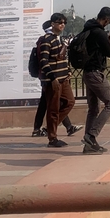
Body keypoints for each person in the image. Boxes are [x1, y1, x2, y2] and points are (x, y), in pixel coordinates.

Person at [31, 13, 77, 147]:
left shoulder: (59, 39)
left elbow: (62, 58)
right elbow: (43, 62)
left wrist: (68, 71)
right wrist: (52, 78)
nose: (62, 24)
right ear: (52, 24)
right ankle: (52, 138)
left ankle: (50, 127)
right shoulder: (46, 40)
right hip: (53, 81)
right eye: (60, 22)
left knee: (70, 102)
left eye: (64, 22)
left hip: (63, 79)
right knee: (53, 109)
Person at [80, 6, 110, 155]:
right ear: (106, 19)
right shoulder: (99, 32)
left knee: (93, 108)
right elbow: (109, 52)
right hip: (96, 73)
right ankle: (91, 136)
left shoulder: (87, 28)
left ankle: (89, 144)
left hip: (87, 72)